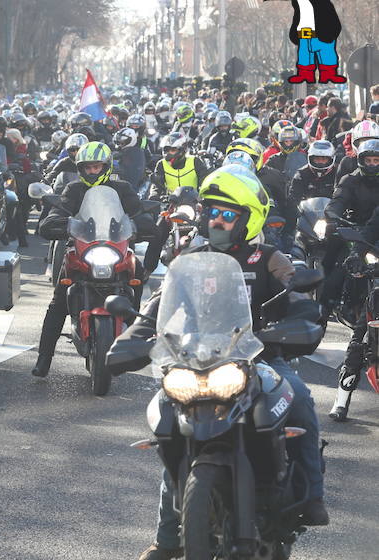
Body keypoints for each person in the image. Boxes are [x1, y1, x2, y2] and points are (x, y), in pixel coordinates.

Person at [111, 166, 328, 560]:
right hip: (196, 363)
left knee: (299, 397)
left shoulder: (269, 258)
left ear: (249, 218)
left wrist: (297, 313)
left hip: (260, 357)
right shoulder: (190, 258)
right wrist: (134, 336)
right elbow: (157, 308)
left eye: (227, 214)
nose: (216, 221)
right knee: (169, 423)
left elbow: (295, 289)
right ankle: (168, 538)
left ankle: (312, 495)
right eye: (211, 211)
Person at [32, 142, 143, 377]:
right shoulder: (73, 190)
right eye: (87, 168)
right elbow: (58, 212)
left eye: (96, 167)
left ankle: (135, 334)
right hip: (83, 252)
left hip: (117, 251)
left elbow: (139, 211)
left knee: (137, 274)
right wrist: (56, 222)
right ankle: (44, 358)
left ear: (106, 166)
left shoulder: (122, 188)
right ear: (80, 169)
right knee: (59, 301)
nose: (92, 172)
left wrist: (143, 224)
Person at [327, 138, 379, 421]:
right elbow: (370, 231)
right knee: (360, 335)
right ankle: (341, 400)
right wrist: (357, 254)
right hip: (376, 262)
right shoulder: (350, 180)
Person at [150, 132, 209, 201]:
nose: (168, 154)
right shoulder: (161, 164)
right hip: (171, 202)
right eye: (166, 150)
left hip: (193, 201)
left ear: (182, 150)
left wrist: (205, 196)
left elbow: (205, 181)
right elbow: (157, 185)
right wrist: (154, 195)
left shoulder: (195, 161)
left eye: (172, 150)